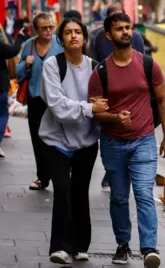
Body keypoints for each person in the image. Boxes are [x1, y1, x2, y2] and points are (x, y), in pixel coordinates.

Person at [88, 13, 165, 267]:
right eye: (119, 29)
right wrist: (114, 117)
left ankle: (149, 248)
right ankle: (122, 244)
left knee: (144, 194)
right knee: (119, 197)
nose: (125, 32)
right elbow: (95, 112)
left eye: (128, 28)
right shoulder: (100, 72)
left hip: (144, 140)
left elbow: (162, 101)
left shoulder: (148, 65)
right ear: (108, 35)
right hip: (113, 143)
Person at [39, 18, 108, 264]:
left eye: (78, 32)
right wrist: (89, 108)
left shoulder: (95, 68)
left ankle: (80, 245)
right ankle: (59, 247)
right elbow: (57, 107)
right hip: (55, 139)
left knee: (79, 191)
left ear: (85, 37)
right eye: (68, 32)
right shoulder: (52, 65)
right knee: (62, 189)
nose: (74, 36)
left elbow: (105, 104)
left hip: (86, 142)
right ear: (61, 39)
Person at [91, 4, 146, 192]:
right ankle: (112, 171)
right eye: (116, 25)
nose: (123, 30)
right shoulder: (99, 37)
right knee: (110, 130)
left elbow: (141, 60)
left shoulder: (135, 37)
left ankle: (125, 169)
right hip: (108, 90)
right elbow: (94, 60)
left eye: (125, 26)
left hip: (131, 92)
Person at [16, 12, 64, 190]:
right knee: (38, 139)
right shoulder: (29, 45)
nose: (48, 30)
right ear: (36, 29)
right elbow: (19, 72)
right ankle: (42, 177)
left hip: (56, 99)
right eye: (44, 28)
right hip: (35, 98)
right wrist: (26, 65)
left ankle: (59, 173)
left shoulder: (59, 44)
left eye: (51, 27)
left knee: (57, 138)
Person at [0, 28, 26, 158]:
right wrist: (20, 36)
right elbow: (13, 51)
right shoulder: (1, 45)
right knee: (2, 114)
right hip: (1, 85)